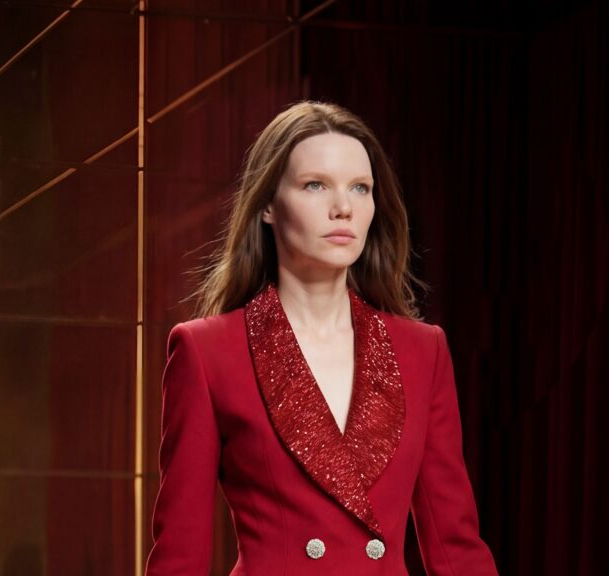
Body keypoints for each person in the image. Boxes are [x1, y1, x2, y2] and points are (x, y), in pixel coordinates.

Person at [144, 101, 498, 575]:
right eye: (315, 185)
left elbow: (456, 547)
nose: (343, 208)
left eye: (360, 188)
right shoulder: (207, 352)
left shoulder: (421, 350)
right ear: (268, 205)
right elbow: (179, 557)